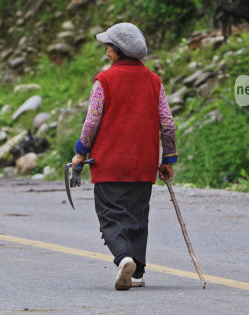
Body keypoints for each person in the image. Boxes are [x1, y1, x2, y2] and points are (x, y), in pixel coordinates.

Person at [71, 22, 177, 291]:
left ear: (118, 50)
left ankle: (123, 258)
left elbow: (92, 122)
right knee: (138, 216)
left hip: (109, 163)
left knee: (110, 215)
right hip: (143, 163)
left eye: (108, 46)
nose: (106, 50)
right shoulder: (154, 82)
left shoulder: (104, 81)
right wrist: (168, 159)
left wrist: (81, 151)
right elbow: (167, 123)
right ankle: (138, 271)